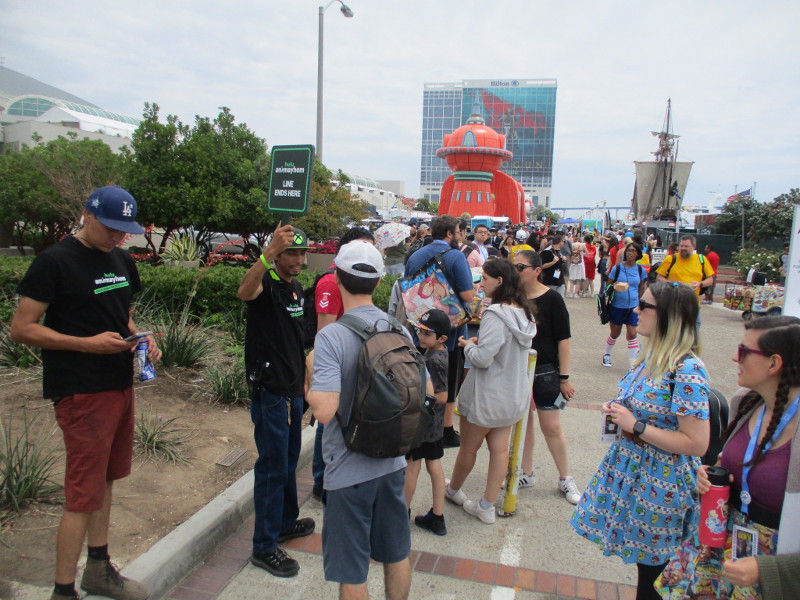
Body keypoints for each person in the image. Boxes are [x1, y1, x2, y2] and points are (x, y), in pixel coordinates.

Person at [10, 186, 159, 600]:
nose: (117, 237)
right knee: (81, 493)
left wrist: (141, 338)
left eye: (123, 230)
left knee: (106, 480)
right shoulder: (54, 261)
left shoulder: (121, 260)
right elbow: (22, 328)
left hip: (118, 384)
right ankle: (63, 590)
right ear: (87, 215)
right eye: (109, 227)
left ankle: (98, 568)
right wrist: (86, 345)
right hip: (81, 390)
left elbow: (122, 313)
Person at [570, 281, 711, 600]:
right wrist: (620, 410)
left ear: (669, 316)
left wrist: (636, 425)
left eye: (644, 306)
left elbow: (696, 443)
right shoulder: (651, 358)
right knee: (647, 572)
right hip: (638, 477)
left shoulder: (687, 368)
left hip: (661, 486)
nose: (636, 310)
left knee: (656, 578)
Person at [656, 315, 800, 600]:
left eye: (744, 351)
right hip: (720, 549)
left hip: (769, 570)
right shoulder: (745, 401)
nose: (735, 358)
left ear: (774, 363)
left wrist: (770, 569)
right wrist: (711, 475)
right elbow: (732, 464)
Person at [308, 241, 422, 599]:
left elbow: (324, 411)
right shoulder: (399, 330)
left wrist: (310, 373)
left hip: (348, 471)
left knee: (353, 571)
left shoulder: (331, 337)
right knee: (396, 553)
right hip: (393, 463)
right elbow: (425, 389)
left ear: (337, 277)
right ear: (378, 282)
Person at [237, 224, 315, 578]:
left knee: (288, 462)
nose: (298, 260)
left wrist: (306, 378)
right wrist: (267, 253)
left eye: (301, 253)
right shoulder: (265, 284)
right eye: (290, 253)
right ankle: (264, 547)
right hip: (271, 394)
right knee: (272, 469)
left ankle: (284, 522)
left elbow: (297, 340)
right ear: (278, 255)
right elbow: (244, 291)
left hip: (293, 392)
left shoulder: (295, 289)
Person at [445, 258, 536, 524]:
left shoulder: (495, 314)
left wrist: (469, 346)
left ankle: (453, 490)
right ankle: (486, 504)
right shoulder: (524, 313)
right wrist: (480, 343)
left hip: (486, 395)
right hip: (511, 395)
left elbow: (483, 358)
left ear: (500, 281)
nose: (480, 284)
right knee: (499, 449)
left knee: (468, 448)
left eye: (484, 279)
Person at [312, 228, 376, 501]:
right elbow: (324, 330)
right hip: (337, 362)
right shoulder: (330, 283)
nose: (365, 254)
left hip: (353, 362)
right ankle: (321, 480)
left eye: (370, 248)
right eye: (360, 246)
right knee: (329, 424)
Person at [514, 251, 580, 504]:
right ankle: (525, 472)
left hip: (546, 371)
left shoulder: (552, 299)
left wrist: (564, 377)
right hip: (517, 369)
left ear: (536, 270)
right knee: (522, 424)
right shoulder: (512, 297)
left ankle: (565, 477)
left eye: (521, 266)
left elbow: (564, 340)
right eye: (513, 266)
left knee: (551, 426)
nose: (516, 271)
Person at [405, 215, 475, 448]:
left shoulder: (415, 255)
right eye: (458, 232)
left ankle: (417, 424)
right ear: (449, 234)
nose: (460, 236)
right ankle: (445, 430)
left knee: (422, 377)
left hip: (421, 326)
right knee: (448, 379)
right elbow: (467, 295)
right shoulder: (455, 256)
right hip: (449, 331)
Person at [404, 309, 450, 536]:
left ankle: (401, 514)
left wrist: (418, 400)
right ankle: (437, 517)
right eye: (419, 331)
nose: (421, 337)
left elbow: (442, 396)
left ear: (442, 338)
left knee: (412, 466)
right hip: (435, 425)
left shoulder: (433, 360)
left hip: (424, 424)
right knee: (434, 464)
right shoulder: (439, 353)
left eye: (427, 334)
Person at [602, 243, 647, 369]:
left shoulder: (640, 270)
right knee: (615, 333)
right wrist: (615, 285)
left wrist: (641, 303)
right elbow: (608, 285)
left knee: (632, 333)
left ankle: (633, 364)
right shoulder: (617, 268)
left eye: (633, 251)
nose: (629, 253)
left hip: (633, 306)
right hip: (617, 305)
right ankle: (607, 354)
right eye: (628, 250)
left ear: (638, 254)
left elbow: (641, 287)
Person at [655, 235, 715, 319]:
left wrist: (700, 284)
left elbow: (710, 280)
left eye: (686, 246)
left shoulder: (702, 259)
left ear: (693, 247)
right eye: (681, 246)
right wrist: (673, 283)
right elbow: (659, 278)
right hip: (673, 304)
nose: (683, 248)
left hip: (693, 305)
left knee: (694, 327)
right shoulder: (671, 259)